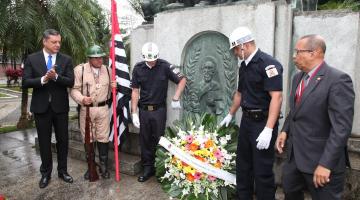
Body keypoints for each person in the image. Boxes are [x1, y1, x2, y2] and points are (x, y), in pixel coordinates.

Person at [276, 34, 355, 200]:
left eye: (298, 52)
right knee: (289, 193)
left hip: (321, 162)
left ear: (314, 52)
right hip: (294, 159)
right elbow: (295, 111)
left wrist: (326, 164)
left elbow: (341, 128)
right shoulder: (298, 78)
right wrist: (285, 130)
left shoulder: (338, 80)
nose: (294, 56)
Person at [220, 26, 283, 199]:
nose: (235, 53)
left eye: (235, 49)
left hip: (263, 123)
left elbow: (277, 97)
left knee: (262, 171)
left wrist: (269, 129)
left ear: (243, 46)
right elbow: (240, 93)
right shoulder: (244, 66)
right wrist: (230, 114)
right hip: (247, 122)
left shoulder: (268, 64)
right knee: (243, 166)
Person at [22, 29, 74, 188]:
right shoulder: (32, 59)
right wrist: (44, 79)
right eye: (54, 42)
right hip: (41, 108)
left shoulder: (66, 60)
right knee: (44, 142)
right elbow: (25, 82)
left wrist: (56, 77)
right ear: (44, 42)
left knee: (63, 141)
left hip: (60, 108)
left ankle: (63, 171)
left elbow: (70, 81)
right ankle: (45, 174)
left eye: (59, 42)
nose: (58, 45)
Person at [131, 42, 186, 182]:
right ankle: (147, 168)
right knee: (144, 140)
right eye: (149, 60)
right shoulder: (138, 69)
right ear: (144, 57)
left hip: (159, 111)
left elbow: (182, 80)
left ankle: (160, 168)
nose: (152, 62)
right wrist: (134, 112)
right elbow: (135, 91)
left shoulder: (165, 66)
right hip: (144, 110)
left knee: (159, 139)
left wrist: (176, 97)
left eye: (154, 59)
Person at [70, 45, 117, 180]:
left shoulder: (108, 70)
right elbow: (73, 89)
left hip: (103, 108)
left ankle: (103, 165)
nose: (99, 60)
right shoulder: (80, 70)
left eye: (101, 57)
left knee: (103, 137)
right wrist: (82, 99)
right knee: (88, 138)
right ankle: (90, 166)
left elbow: (113, 92)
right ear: (89, 58)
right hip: (87, 109)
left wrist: (115, 88)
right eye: (96, 58)